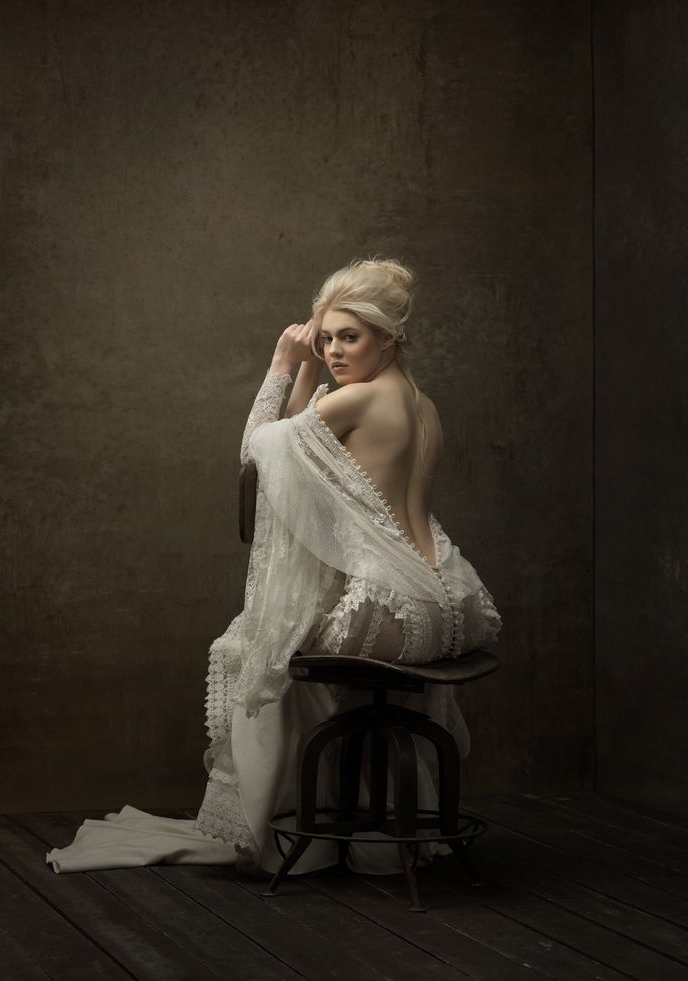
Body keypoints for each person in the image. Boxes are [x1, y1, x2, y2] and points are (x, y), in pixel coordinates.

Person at [46, 257, 501, 876]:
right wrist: (314, 363)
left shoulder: (359, 400)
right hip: (458, 601)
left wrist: (286, 364)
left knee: (255, 653)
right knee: (281, 642)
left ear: (389, 338)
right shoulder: (423, 405)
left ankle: (294, 833)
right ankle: (364, 820)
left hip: (396, 606)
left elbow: (258, 450)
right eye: (328, 337)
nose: (336, 350)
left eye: (350, 336)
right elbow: (302, 452)